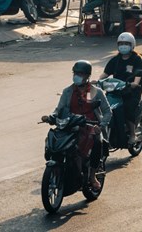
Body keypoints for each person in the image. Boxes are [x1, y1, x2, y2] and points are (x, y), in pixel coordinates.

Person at [41, 61, 112, 191]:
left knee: (97, 142)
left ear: (87, 76)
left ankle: (92, 176)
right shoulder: (68, 91)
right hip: (71, 124)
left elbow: (107, 112)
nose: (77, 76)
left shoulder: (96, 92)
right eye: (75, 73)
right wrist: (51, 117)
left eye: (80, 74)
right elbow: (59, 109)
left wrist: (101, 126)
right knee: (54, 141)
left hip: (91, 126)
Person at [99, 32, 142, 143]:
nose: (123, 46)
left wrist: (134, 84)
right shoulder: (115, 60)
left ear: (132, 45)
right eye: (121, 43)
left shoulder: (137, 59)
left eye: (126, 43)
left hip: (132, 91)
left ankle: (132, 134)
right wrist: (98, 81)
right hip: (116, 90)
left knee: (127, 109)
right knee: (104, 107)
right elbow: (105, 74)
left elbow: (138, 75)